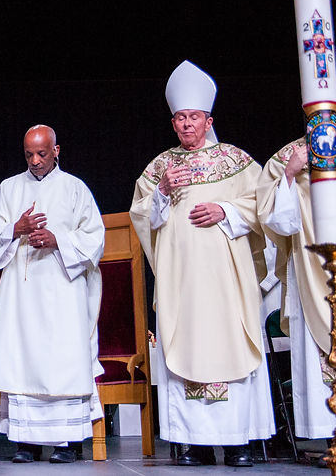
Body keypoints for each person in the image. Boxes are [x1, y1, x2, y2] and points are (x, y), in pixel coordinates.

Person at [130, 60, 274, 467]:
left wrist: (225, 211)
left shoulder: (237, 161)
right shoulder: (160, 167)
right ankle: (191, 442)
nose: (186, 125)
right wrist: (160, 192)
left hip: (227, 281)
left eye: (193, 117)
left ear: (208, 120)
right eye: (179, 118)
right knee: (185, 347)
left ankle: (238, 441)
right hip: (183, 282)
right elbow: (142, 217)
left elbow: (264, 207)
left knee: (231, 345)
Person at [256, 87, 336, 470]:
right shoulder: (287, 156)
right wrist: (290, 174)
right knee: (319, 338)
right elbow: (274, 219)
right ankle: (335, 435)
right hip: (312, 269)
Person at [0, 124, 105, 463]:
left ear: (56, 150)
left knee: (61, 360)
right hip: (21, 297)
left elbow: (95, 239)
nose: (35, 161)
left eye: (42, 153)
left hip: (62, 291)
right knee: (24, 361)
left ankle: (67, 442)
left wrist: (57, 240)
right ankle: (27, 442)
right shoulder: (7, 190)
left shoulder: (75, 189)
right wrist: (16, 229)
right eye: (29, 154)